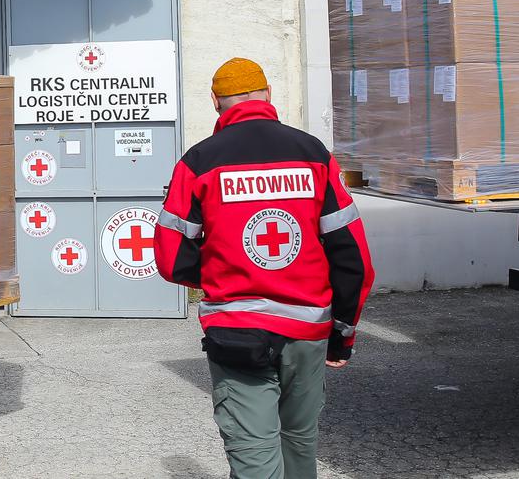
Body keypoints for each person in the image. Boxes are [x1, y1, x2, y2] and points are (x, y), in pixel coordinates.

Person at [155, 57, 375, 479]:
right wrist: (342, 335)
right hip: (308, 331)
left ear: (216, 102)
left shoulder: (199, 162)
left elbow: (170, 255)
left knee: (254, 455)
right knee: (299, 445)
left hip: (236, 331)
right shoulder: (313, 154)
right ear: (268, 95)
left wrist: (222, 274)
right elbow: (354, 258)